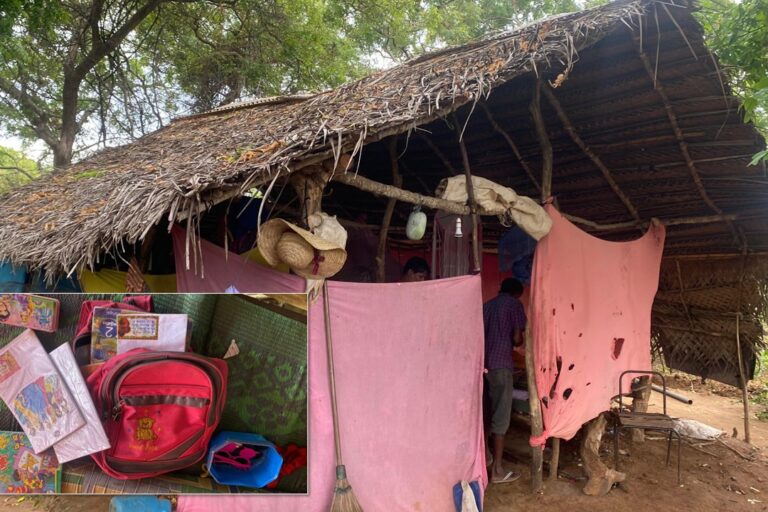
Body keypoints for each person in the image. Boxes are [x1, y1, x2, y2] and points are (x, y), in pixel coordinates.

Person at [483, 278, 526, 483]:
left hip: (482, 367)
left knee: (485, 414)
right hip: (501, 366)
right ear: (516, 293)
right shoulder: (514, 305)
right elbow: (517, 339)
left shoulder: (487, 306)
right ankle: (498, 471)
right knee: (501, 418)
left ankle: (485, 458)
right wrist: (519, 338)